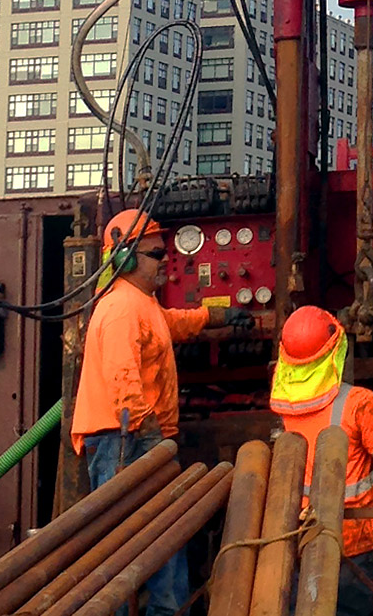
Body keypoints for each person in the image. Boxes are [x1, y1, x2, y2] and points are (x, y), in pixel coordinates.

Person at [71, 208, 251, 616]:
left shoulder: (141, 303)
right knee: (127, 545)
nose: (166, 261)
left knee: (162, 538)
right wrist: (153, 438)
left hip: (138, 438)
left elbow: (170, 324)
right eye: (156, 254)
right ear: (126, 258)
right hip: (125, 441)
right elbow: (123, 379)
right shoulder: (120, 308)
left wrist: (217, 316)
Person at [269, 306, 373, 616]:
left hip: (299, 534)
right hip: (351, 541)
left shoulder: (282, 407)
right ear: (337, 350)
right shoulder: (358, 401)